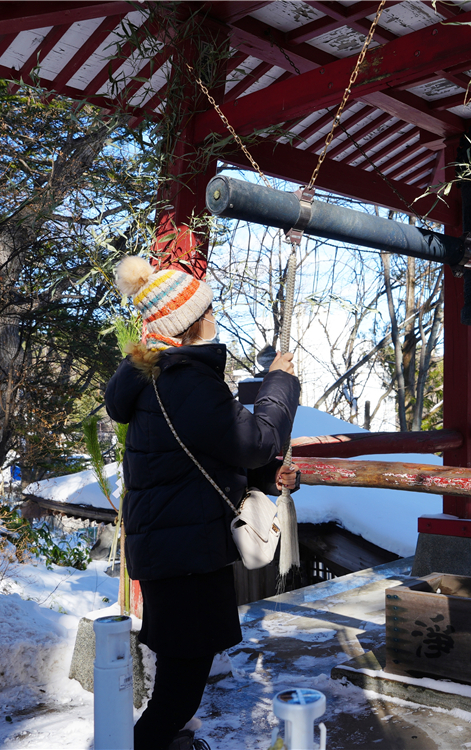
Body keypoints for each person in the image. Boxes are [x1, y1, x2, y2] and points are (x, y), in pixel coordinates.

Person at [105, 256, 300, 750]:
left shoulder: (155, 376)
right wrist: (280, 383)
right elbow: (256, 441)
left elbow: (200, 453)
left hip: (173, 546)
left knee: (179, 681)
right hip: (185, 554)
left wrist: (262, 475)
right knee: (178, 692)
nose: (214, 316)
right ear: (191, 323)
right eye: (208, 310)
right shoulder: (186, 379)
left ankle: (171, 743)